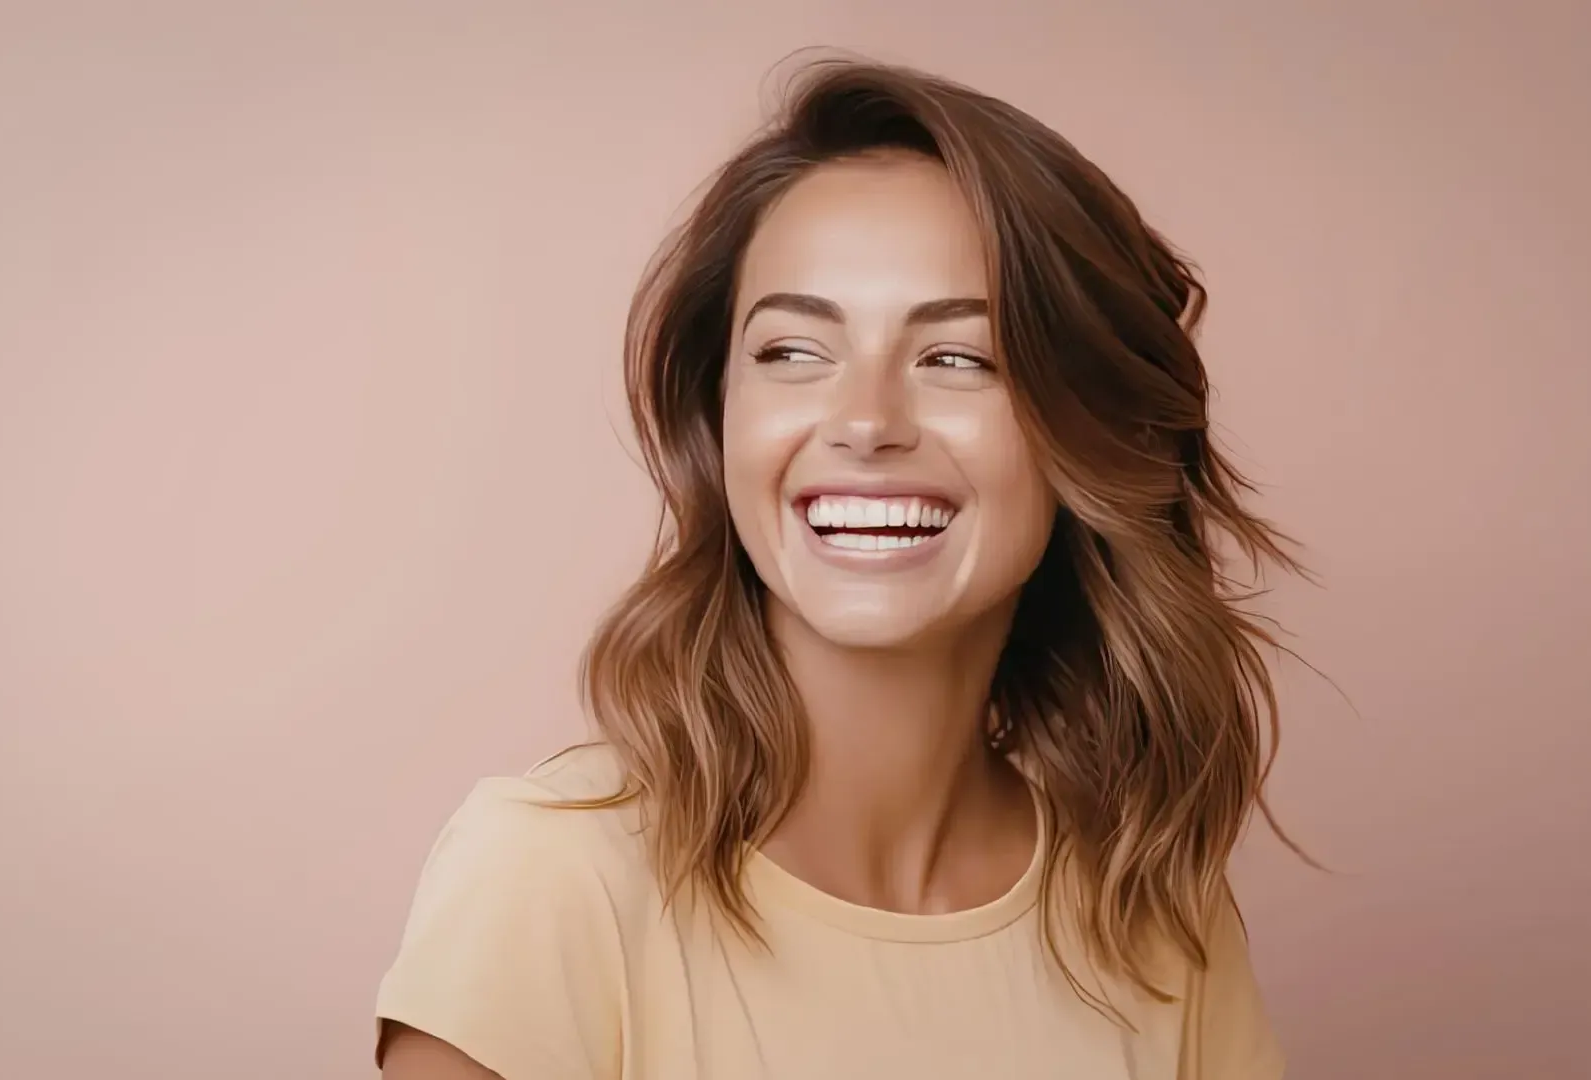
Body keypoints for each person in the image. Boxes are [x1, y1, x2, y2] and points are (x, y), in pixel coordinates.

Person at [374, 56, 1299, 1080]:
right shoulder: (551, 876)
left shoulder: (1153, 916)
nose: (864, 422)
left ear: (1088, 432)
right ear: (717, 418)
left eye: (960, 358)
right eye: (793, 352)